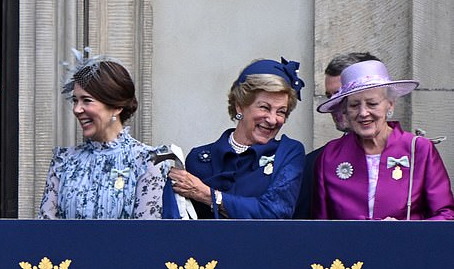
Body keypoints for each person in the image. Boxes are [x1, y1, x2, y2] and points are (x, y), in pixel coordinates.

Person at [38, 49, 173, 219]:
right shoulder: (63, 161)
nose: (77, 109)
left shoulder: (148, 161)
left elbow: (145, 235)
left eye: (87, 100)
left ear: (116, 106)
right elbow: (45, 230)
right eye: (75, 100)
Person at [313, 60, 454, 220]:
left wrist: (406, 231)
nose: (363, 113)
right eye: (354, 105)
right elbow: (321, 224)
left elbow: (446, 215)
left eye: (372, 104)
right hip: (349, 245)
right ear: (345, 110)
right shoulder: (331, 155)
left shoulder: (419, 149)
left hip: (406, 244)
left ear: (390, 105)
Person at [169, 57, 306, 219]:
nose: (272, 119)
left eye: (281, 112)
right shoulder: (199, 159)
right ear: (240, 106)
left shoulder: (288, 153)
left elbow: (275, 213)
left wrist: (207, 195)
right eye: (264, 107)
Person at [293, 52, 379, 218]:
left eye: (341, 94)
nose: (332, 104)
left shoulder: (413, 152)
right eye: (329, 96)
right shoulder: (316, 162)